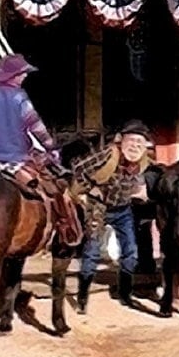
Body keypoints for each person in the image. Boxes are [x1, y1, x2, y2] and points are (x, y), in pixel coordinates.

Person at [73, 119, 154, 313]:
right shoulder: (108, 154)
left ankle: (125, 293)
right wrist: (91, 188)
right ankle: (83, 296)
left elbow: (142, 185)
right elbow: (78, 168)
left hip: (123, 209)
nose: (135, 146)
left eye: (139, 143)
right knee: (92, 252)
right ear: (121, 140)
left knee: (131, 251)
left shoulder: (143, 162)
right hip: (99, 208)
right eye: (131, 140)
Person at [0, 54, 59, 168]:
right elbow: (36, 126)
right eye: (22, 73)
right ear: (12, 76)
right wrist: (50, 145)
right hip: (15, 158)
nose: (25, 76)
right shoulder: (19, 97)